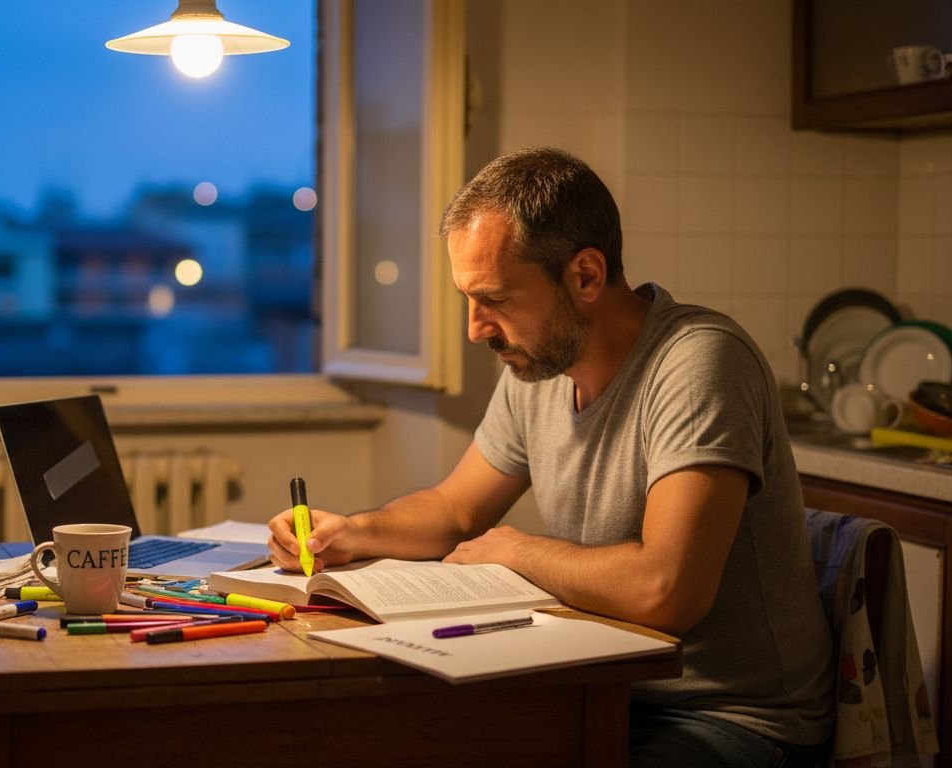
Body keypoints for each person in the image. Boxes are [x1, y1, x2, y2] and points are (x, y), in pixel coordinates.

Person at [268, 147, 834, 767]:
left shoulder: (698, 362)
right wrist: (352, 532)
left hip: (729, 718)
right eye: (468, 299)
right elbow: (456, 510)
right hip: (592, 689)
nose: (476, 329)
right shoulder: (538, 369)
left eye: (498, 300)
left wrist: (518, 550)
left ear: (586, 276)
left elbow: (666, 590)